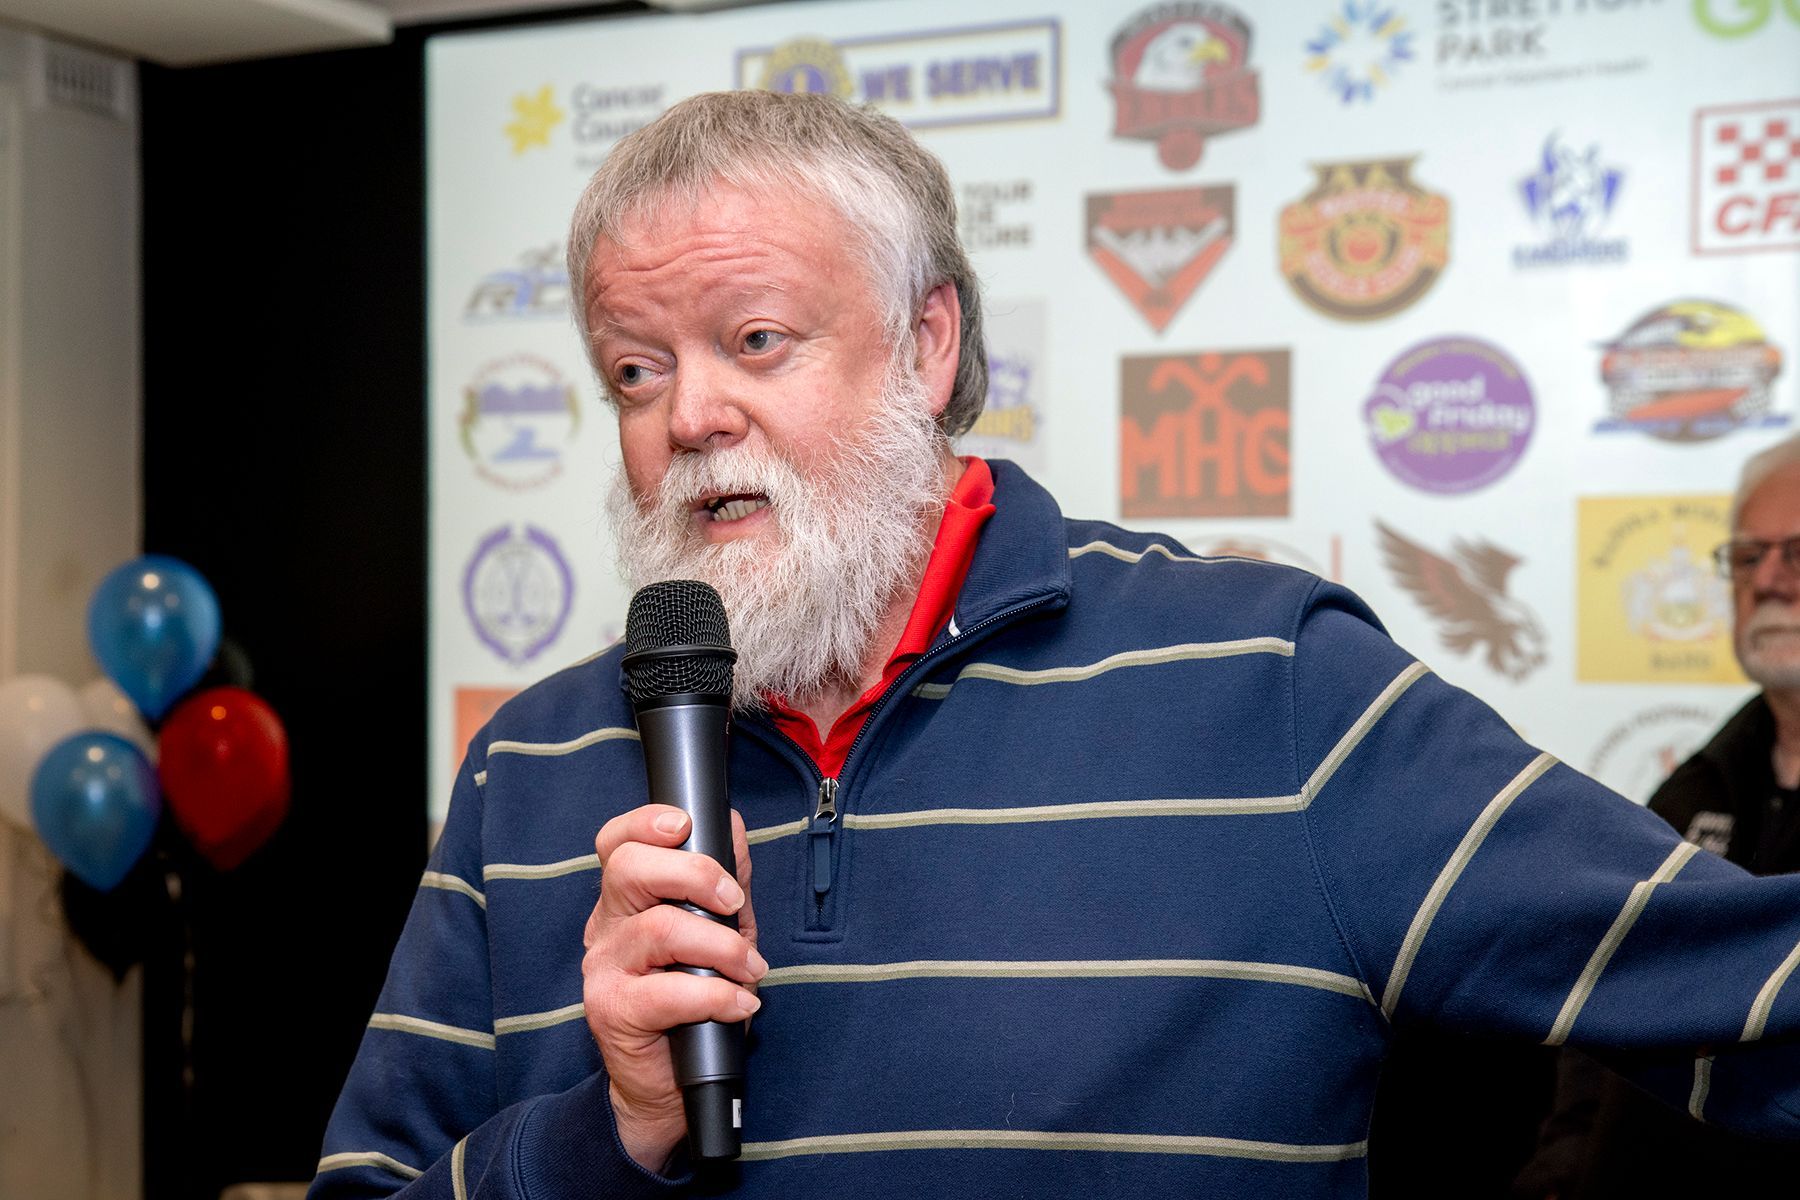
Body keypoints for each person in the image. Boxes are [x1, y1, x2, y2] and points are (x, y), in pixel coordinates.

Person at [309, 91, 1800, 1200]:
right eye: (636, 370)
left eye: (756, 341)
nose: (689, 416)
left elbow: (1748, 995)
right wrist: (606, 1131)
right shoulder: (534, 767)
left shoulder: (1264, 684)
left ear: (929, 343)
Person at [1514, 438, 1800, 1200]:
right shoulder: (1690, 789)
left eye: (1798, 553)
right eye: (1748, 556)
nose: (1770, 580)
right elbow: (1607, 1014)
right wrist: (1564, 1167)